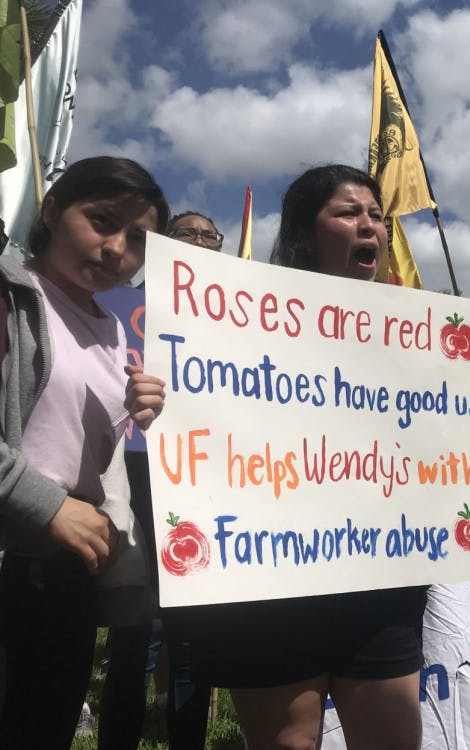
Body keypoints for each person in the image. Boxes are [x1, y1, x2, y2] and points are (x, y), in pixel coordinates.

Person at [180, 164, 470, 750]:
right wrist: (159, 404)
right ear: (306, 233)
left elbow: (432, 437)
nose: (370, 226)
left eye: (376, 215)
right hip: (270, 579)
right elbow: (205, 414)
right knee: (289, 742)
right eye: (348, 213)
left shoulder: (418, 334)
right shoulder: (236, 318)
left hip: (378, 582)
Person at [0, 156, 168, 749]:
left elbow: (68, 437)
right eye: (101, 220)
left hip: (59, 575)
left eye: (139, 239)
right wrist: (47, 505)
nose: (117, 247)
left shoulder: (113, 330)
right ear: (50, 210)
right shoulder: (11, 294)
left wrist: (135, 408)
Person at [99, 211, 223, 750]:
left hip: (212, 489)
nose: (200, 242)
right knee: (136, 634)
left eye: (209, 236)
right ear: (158, 246)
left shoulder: (238, 320)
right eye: (187, 234)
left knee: (194, 642)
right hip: (139, 486)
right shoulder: (118, 314)